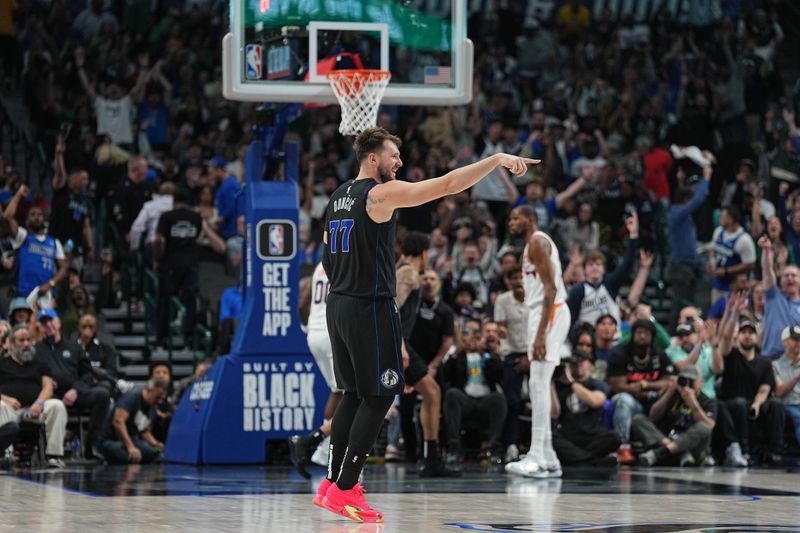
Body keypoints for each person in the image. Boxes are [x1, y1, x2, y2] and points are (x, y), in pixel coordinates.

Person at [316, 127, 535, 523]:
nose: (399, 163)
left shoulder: (337, 196)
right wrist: (496, 160)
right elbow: (448, 184)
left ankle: (332, 484)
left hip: (339, 303)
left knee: (351, 392)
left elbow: (327, 261)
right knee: (380, 396)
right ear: (372, 159)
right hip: (369, 305)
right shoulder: (378, 194)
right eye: (393, 156)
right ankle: (346, 488)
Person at [504, 204, 571, 479]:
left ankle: (537, 456)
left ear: (531, 220)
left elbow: (551, 287)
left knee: (538, 383)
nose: (511, 223)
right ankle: (549, 456)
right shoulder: (533, 243)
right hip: (544, 312)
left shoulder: (538, 242)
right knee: (537, 383)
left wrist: (542, 331)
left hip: (549, 312)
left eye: (516, 218)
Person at [395, 232, 456, 477]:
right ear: (424, 253)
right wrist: (398, 345)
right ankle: (431, 459)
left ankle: (431, 457)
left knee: (431, 393)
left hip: (401, 341)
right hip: (399, 342)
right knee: (431, 393)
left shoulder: (404, 270)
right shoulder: (408, 272)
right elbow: (391, 307)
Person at [288, 262, 342, 479]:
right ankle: (315, 443)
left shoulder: (321, 265)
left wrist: (306, 327)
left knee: (339, 391)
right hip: (333, 333)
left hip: (315, 334)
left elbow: (302, 305)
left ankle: (322, 449)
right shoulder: (347, 259)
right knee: (355, 396)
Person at [715, 304, 785, 466]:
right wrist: (733, 315)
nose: (747, 336)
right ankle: (744, 451)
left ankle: (776, 452)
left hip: (754, 403)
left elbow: (765, 388)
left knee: (776, 404)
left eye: (751, 333)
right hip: (732, 403)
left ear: (756, 337)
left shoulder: (764, 363)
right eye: (743, 333)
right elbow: (725, 339)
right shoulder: (731, 355)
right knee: (740, 403)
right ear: (738, 336)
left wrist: (757, 404)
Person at [35, 308, 110, 454]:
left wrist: (76, 389)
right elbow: (31, 373)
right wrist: (46, 383)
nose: (48, 325)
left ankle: (92, 446)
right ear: (40, 328)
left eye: (50, 321)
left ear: (58, 323)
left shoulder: (74, 347)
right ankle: (50, 451)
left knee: (103, 394)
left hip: (74, 393)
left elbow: (88, 374)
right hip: (51, 394)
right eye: (44, 323)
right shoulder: (37, 350)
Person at [607, 319, 675, 464]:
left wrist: (645, 385)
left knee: (674, 395)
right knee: (623, 399)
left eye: (646, 333)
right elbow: (617, 386)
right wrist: (638, 390)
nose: (642, 336)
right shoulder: (620, 352)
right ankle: (623, 446)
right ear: (633, 334)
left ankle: (673, 442)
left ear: (652, 336)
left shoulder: (659, 354)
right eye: (639, 332)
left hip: (653, 400)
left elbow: (669, 381)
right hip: (631, 403)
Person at [441, 319, 506, 470]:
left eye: (477, 334)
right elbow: (446, 376)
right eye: (468, 334)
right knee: (452, 394)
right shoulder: (458, 355)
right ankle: (454, 448)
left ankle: (493, 448)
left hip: (485, 399)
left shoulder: (489, 355)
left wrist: (487, 353)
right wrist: (457, 353)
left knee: (499, 399)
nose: (473, 338)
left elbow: (499, 375)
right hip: (466, 399)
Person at [0, 324, 68, 468]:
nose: (26, 344)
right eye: (21, 340)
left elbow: (48, 386)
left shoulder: (40, 363)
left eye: (28, 340)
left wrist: (39, 402)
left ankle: (53, 456)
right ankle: (6, 453)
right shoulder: (2, 363)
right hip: (10, 409)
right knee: (0, 405)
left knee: (57, 405)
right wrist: (6, 398)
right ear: (11, 343)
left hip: (34, 409)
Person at [634, 364, 717, 467]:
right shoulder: (674, 395)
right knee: (638, 419)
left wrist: (693, 403)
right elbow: (653, 416)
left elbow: (710, 425)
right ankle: (679, 451)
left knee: (703, 427)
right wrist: (669, 392)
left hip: (693, 449)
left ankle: (660, 453)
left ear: (700, 383)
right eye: (684, 380)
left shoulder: (708, 401)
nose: (687, 385)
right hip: (669, 440)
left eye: (692, 381)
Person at [551, 350, 620, 467]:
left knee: (614, 438)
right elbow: (554, 413)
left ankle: (578, 459)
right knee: (550, 438)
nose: (578, 365)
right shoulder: (561, 385)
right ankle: (592, 461)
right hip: (568, 434)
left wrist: (572, 383)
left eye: (582, 362)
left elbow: (595, 401)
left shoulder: (597, 384)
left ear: (591, 365)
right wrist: (551, 382)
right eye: (574, 363)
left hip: (591, 434)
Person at [667, 164, 711, 327]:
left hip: (689, 265)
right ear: (685, 201)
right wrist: (706, 178)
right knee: (679, 304)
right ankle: (673, 336)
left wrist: (680, 180)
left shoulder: (680, 214)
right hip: (681, 267)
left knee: (688, 304)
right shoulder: (677, 213)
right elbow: (697, 200)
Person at [98, 379, 168, 464]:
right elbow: (118, 421)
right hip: (112, 441)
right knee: (129, 457)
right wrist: (130, 447)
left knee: (155, 453)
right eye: (158, 397)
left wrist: (155, 443)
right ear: (149, 390)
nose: (159, 401)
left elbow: (144, 431)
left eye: (162, 399)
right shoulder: (132, 396)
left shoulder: (152, 407)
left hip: (132, 441)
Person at [758, 235, 800, 357]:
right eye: (786, 276)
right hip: (771, 358)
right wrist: (767, 251)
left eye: (794, 275)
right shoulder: (773, 296)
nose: (790, 278)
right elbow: (767, 271)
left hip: (796, 361)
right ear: (780, 281)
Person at [707, 206, 756, 303]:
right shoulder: (718, 231)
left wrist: (727, 271)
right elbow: (712, 248)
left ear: (730, 219)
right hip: (717, 284)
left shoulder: (744, 239)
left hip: (734, 286)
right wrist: (711, 261)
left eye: (722, 217)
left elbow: (750, 263)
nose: (719, 219)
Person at [772, 325, 800, 448]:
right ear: (785, 342)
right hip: (789, 404)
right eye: (795, 339)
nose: (798, 342)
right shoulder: (776, 365)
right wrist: (796, 377)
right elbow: (778, 392)